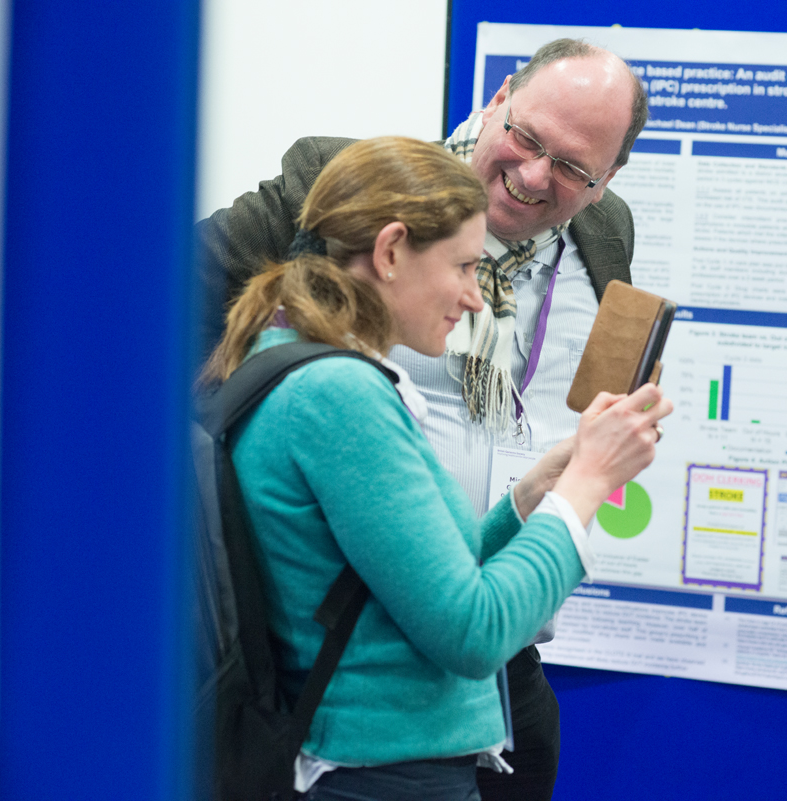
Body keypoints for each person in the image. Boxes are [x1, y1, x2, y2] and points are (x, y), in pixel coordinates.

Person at [196, 39, 648, 800]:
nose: (479, 301)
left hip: (479, 656)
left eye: (572, 168)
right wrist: (585, 493)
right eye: (467, 268)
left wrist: (534, 497)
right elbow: (151, 296)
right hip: (375, 684)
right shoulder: (339, 387)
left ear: (604, 183)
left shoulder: (603, 238)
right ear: (390, 248)